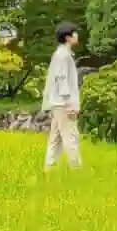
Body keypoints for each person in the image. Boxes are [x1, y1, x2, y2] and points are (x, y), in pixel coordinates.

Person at [42, 21, 82, 170]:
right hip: (63, 104)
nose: (77, 35)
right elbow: (62, 79)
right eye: (74, 33)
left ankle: (49, 169)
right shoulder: (62, 56)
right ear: (68, 37)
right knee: (71, 137)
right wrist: (69, 103)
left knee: (56, 138)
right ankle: (76, 169)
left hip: (58, 104)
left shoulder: (63, 55)